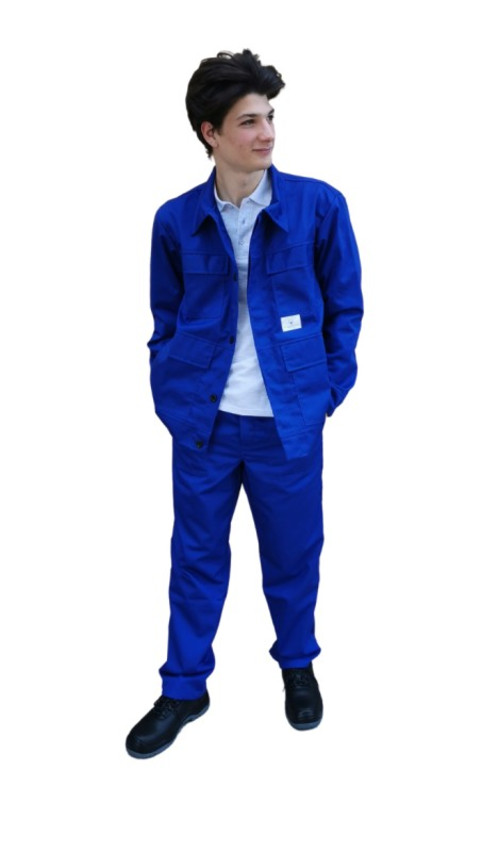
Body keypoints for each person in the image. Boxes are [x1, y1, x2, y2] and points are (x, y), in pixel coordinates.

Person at [126, 49, 363, 759]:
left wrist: (325, 393)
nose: (267, 134)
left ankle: (298, 665)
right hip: (203, 425)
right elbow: (164, 317)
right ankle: (183, 688)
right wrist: (169, 390)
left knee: (293, 555)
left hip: (288, 425)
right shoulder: (175, 220)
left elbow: (345, 310)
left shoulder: (319, 206)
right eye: (249, 122)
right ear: (211, 133)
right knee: (195, 557)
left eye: (269, 118)